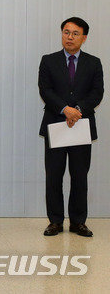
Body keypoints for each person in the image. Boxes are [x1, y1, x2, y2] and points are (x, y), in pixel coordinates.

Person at [39, 17, 103, 237]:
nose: (70, 37)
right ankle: (55, 221)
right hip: (55, 124)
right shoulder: (48, 60)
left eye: (75, 33)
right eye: (66, 32)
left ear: (84, 38)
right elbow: (45, 90)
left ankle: (78, 222)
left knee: (79, 176)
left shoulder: (94, 63)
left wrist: (77, 110)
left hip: (81, 126)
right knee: (53, 176)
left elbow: (97, 92)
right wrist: (65, 109)